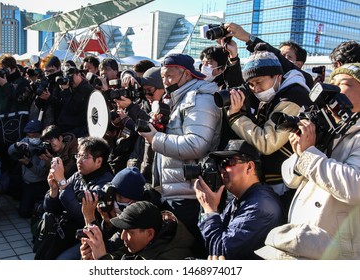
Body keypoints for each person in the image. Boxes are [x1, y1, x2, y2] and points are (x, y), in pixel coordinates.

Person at [138, 53, 222, 257]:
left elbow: (196, 145)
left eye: (169, 76)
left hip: (190, 195)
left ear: (186, 74)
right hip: (175, 190)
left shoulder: (200, 98)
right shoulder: (179, 97)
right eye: (163, 77)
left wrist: (155, 138)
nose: (165, 82)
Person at [277, 63, 360, 259]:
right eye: (333, 82)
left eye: (344, 83)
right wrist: (300, 152)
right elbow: (290, 179)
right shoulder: (331, 128)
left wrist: (309, 153)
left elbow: (355, 186)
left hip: (337, 251)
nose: (335, 88)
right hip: (304, 241)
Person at [224, 47, 312, 215]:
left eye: (259, 82)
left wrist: (236, 117)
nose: (255, 89)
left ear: (277, 76)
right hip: (280, 179)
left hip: (287, 183)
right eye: (250, 84)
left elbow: (267, 143)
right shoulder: (276, 94)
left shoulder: (293, 97)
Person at [194, 140, 284, 259]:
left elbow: (221, 252)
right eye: (221, 164)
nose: (223, 170)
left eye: (229, 162)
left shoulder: (259, 206)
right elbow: (212, 239)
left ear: (250, 167)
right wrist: (206, 211)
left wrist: (209, 210)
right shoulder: (243, 199)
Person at [40, 136, 114, 259]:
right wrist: (53, 190)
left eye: (85, 157)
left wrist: (63, 184)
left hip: (91, 238)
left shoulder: (105, 184)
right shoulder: (78, 175)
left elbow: (81, 215)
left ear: (99, 161)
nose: (79, 161)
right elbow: (51, 209)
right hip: (69, 231)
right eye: (78, 155)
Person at [81, 200, 195, 260]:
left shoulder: (173, 258)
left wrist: (102, 259)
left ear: (149, 233)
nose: (122, 237)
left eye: (129, 232)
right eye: (122, 230)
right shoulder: (138, 246)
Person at [80, 166, 146, 259]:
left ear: (135, 201)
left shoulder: (140, 220)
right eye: (112, 195)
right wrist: (109, 224)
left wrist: (89, 217)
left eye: (120, 197)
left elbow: (106, 251)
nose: (114, 200)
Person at [223, 22, 314, 89]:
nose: (256, 88)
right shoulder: (260, 88)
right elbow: (236, 88)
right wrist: (233, 56)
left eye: (287, 56)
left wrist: (248, 37)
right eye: (280, 54)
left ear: (298, 64)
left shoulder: (305, 81)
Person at [7, 119, 48, 218]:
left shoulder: (46, 148)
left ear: (40, 134)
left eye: (34, 135)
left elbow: (41, 172)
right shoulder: (25, 141)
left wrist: (28, 163)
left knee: (26, 212)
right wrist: (16, 146)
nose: (32, 138)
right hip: (25, 182)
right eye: (29, 135)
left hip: (39, 183)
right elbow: (10, 152)